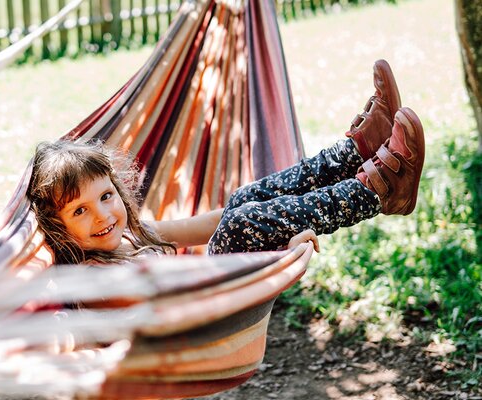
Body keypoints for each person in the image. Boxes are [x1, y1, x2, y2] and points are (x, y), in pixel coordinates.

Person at [26, 60, 425, 265]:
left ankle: (356, 152)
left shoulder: (129, 235)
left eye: (106, 196)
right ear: (57, 227)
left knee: (240, 202)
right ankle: (377, 192)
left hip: (214, 285)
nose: (102, 215)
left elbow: (210, 223)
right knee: (239, 222)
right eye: (80, 210)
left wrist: (274, 234)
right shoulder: (91, 273)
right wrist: (261, 251)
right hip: (201, 314)